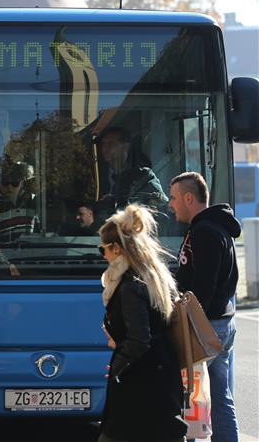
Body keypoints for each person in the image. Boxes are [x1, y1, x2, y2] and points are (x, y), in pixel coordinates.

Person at [98, 204, 187, 442]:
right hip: (162, 376)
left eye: (103, 249)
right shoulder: (154, 275)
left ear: (116, 249)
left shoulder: (129, 284)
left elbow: (139, 339)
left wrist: (117, 365)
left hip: (140, 383)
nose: (103, 256)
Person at [168, 172, 241, 442]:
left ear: (189, 198)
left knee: (188, 396)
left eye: (174, 198)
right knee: (219, 396)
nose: (170, 204)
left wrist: (185, 322)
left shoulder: (205, 232)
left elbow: (204, 286)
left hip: (205, 325)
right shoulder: (213, 228)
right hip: (220, 323)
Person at [96, 127, 167, 216]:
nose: (106, 149)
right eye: (103, 144)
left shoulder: (144, 177)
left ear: (126, 146)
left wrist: (120, 205)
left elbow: (160, 208)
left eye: (111, 143)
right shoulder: (111, 180)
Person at [0, 160, 39, 242]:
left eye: (15, 183)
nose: (9, 187)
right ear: (0, 185)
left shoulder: (35, 203)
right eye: (5, 183)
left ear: (22, 184)